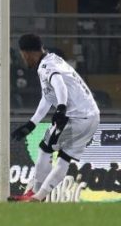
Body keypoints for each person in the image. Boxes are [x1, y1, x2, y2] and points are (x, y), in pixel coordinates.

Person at [10, 33, 101, 202]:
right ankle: (38, 197)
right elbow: (47, 97)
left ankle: (34, 192)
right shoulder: (54, 60)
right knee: (64, 159)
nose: (23, 59)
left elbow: (59, 84)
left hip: (75, 117)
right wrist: (32, 123)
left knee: (45, 149)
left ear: (27, 53)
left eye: (23, 55)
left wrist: (61, 109)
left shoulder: (47, 66)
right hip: (92, 117)